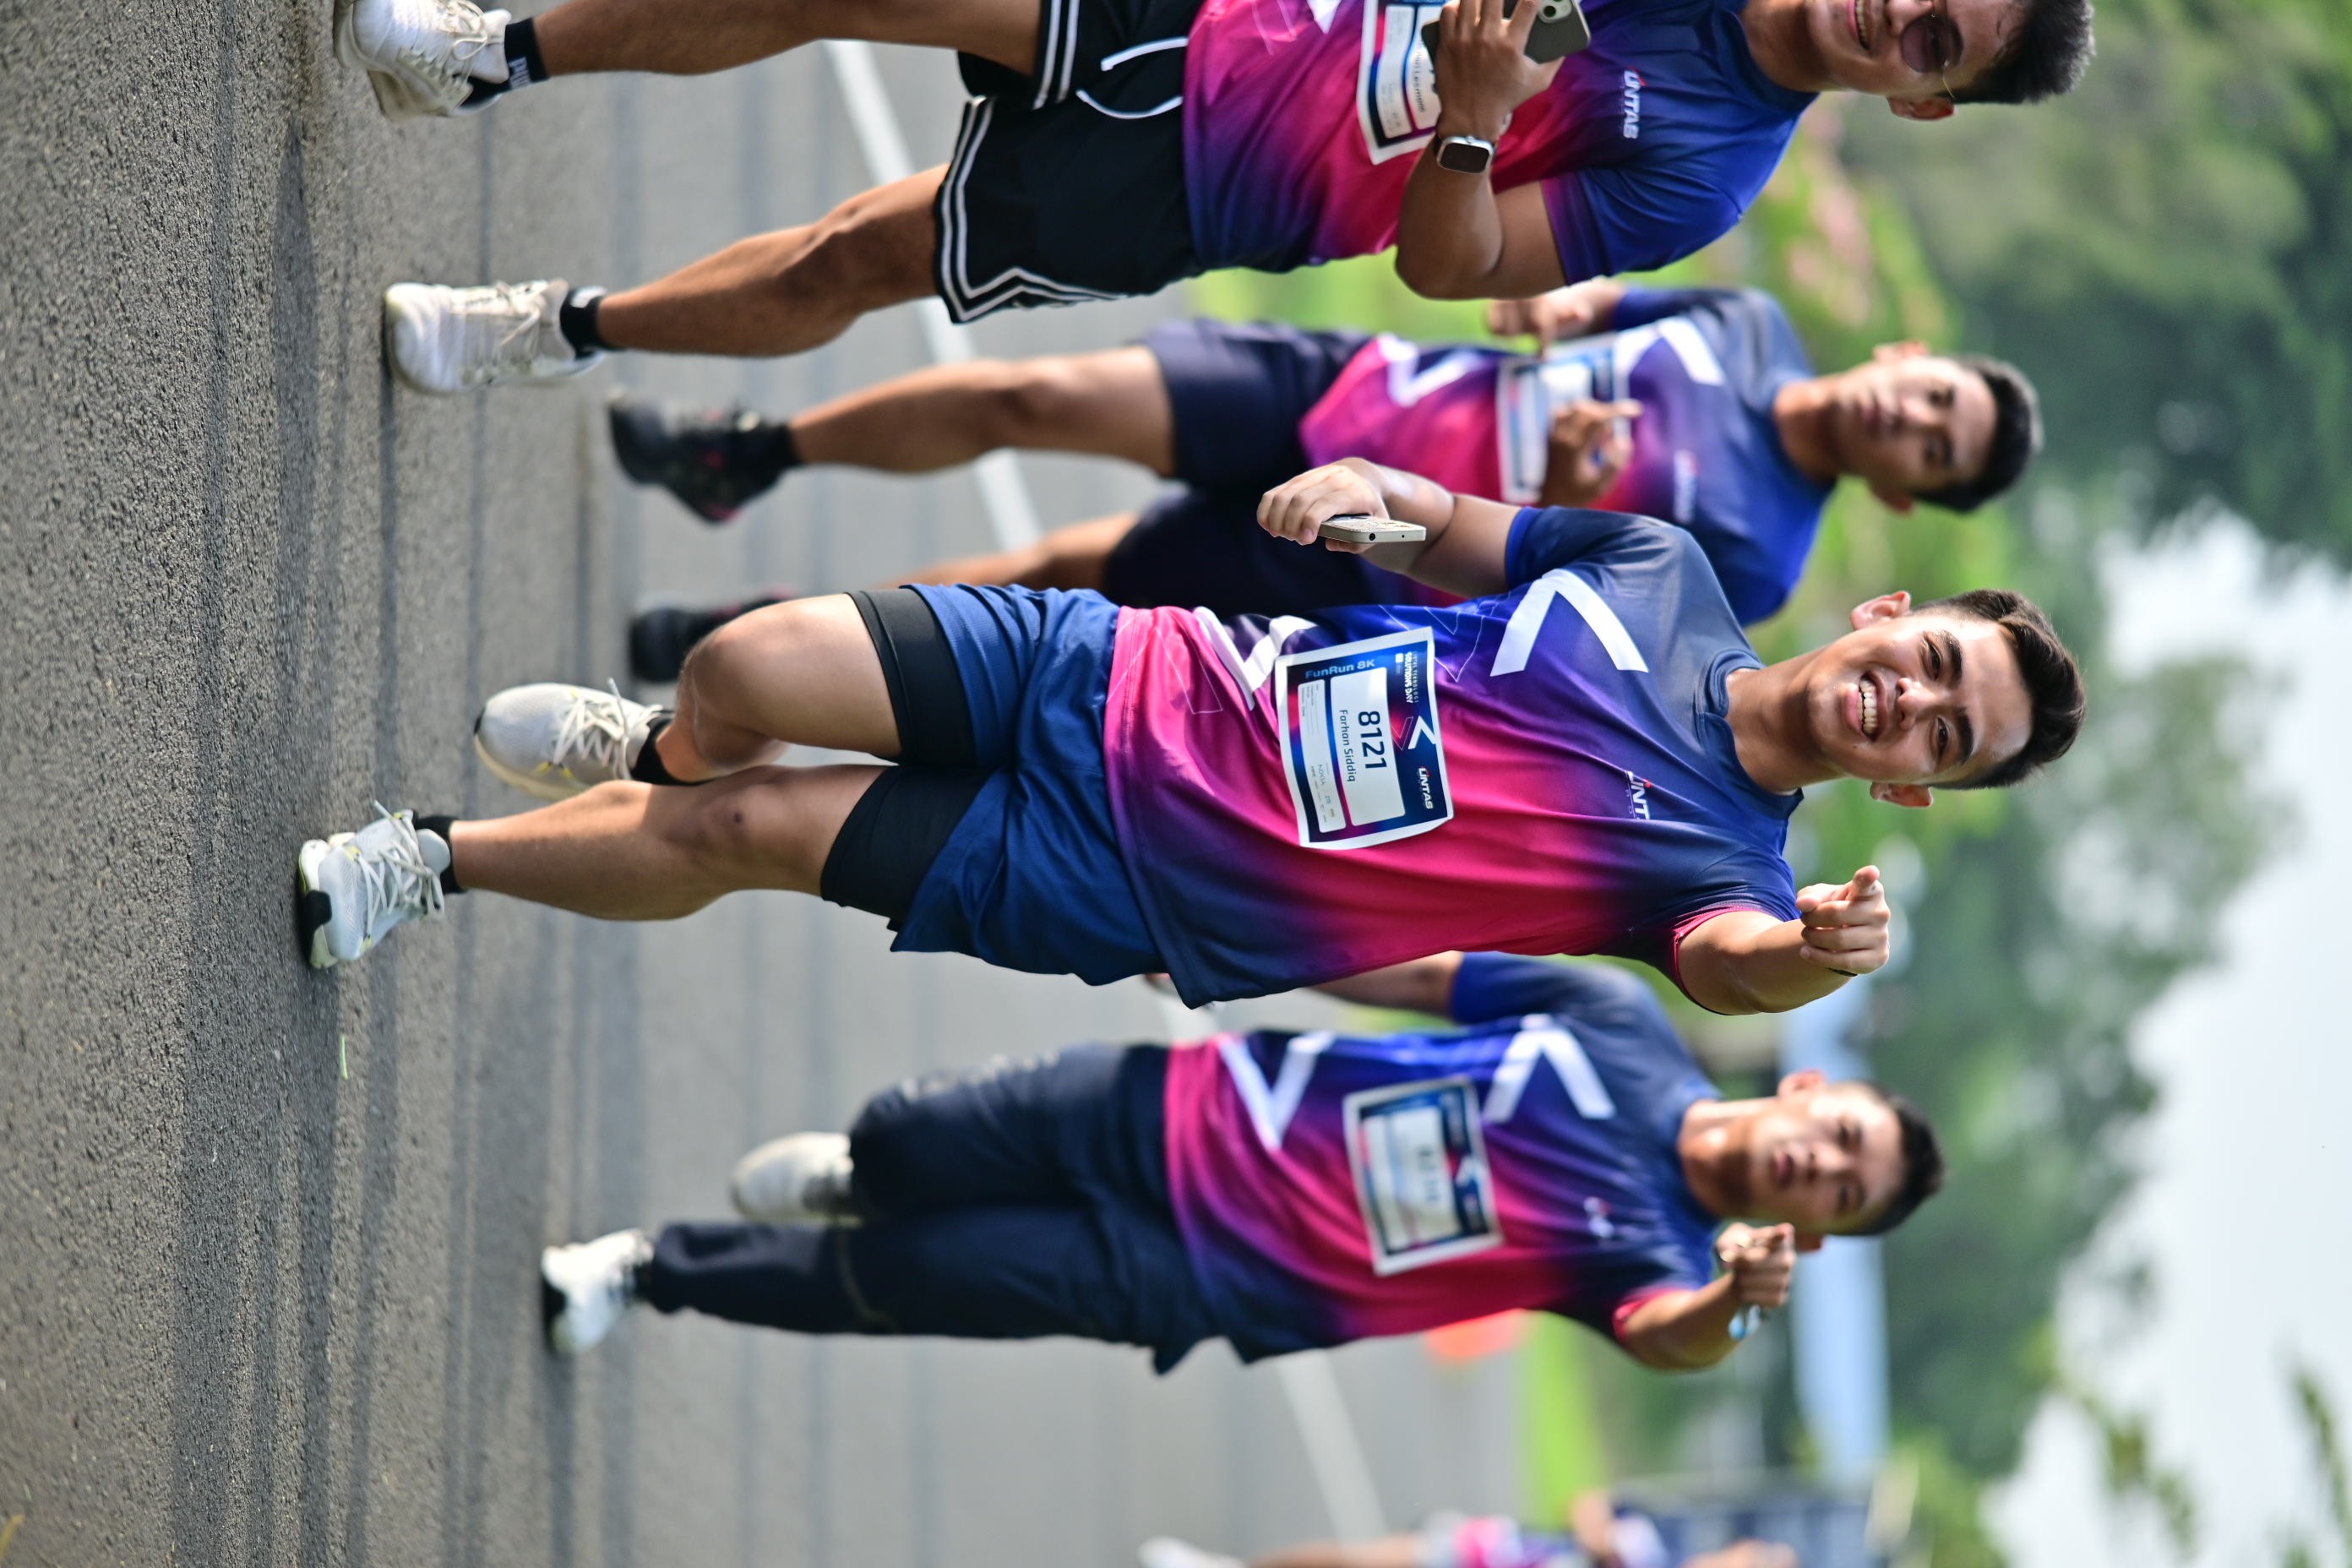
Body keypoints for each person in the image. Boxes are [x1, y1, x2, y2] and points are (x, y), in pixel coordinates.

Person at [294, 467, 2085, 1011]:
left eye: (1948, 734)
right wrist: (1375, 491)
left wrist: (1808, 961)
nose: (1913, 698)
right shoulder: (1659, 571)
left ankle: (430, 861)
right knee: (746, 667)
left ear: (1911, 784)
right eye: (1933, 661)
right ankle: (651, 748)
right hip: (1138, 674)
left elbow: (1731, 971)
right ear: (1887, 613)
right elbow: (1456, 534)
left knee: (752, 834)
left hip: (1136, 882)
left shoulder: (1726, 870)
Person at [333, 0, 2093, 392]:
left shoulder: (1703, 171)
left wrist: (1473, 122)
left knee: (855, 257)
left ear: (1922, 98)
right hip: (1214, 10)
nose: (1893, 10)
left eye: (1929, 39)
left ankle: (561, 329)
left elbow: (1455, 266)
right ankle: (496, 52)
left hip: (1213, 185)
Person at [533, 951, 1946, 1372]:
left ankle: (645, 1271)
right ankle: (865, 1170)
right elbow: (1424, 976)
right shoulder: (1619, 1027)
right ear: (1808, 1089)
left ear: (1819, 1230)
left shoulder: (1661, 1259)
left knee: (909, 1282)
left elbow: (1670, 1341)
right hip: (1188, 1108)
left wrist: (1730, 1299)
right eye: (1839, 1138)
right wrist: (1233, 948)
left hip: (1203, 1274)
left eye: (1840, 1191)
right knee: (906, 1139)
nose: (1814, 1166)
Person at [612, 279, 2041, 680]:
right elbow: (1584, 307)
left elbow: (1557, 615)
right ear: (1908, 356)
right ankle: (751, 452)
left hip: (1354, 549)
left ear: (1904, 495)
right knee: (1031, 394)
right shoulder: (1746, 320)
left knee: (1059, 575)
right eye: (1935, 397)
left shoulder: (1762, 559)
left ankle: (764, 632)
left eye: (1931, 450)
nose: (1907, 420)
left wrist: (1562, 486)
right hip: (1353, 394)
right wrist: (1549, 306)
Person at [1140, 1494, 1795, 1568]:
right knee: (1354, 1561)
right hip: (1488, 1554)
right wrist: (1598, 1538)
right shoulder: (1659, 1537)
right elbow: (1589, 1503)